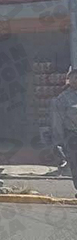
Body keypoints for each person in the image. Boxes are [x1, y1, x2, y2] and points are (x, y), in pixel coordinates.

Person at [50, 68, 77, 198]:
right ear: (70, 80)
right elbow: (57, 122)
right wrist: (58, 142)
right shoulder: (62, 99)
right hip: (73, 136)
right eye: (75, 78)